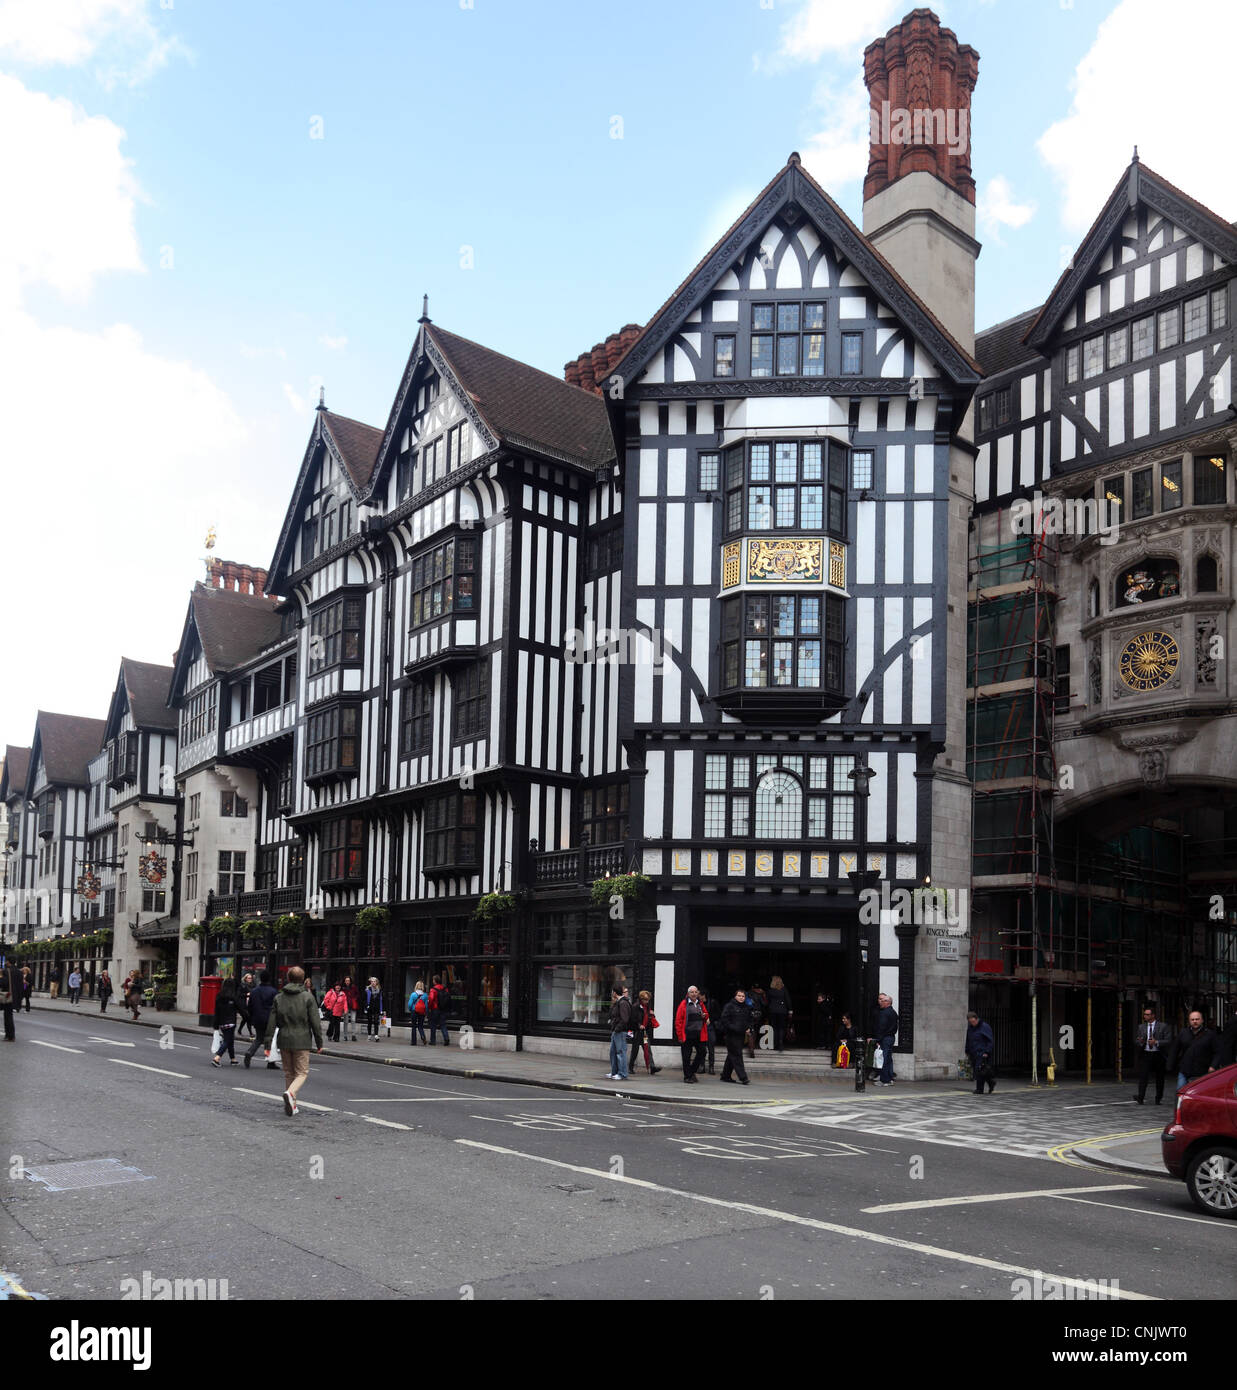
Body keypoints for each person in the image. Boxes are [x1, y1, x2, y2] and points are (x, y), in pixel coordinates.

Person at [263, 965, 324, 1116]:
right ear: (303, 980)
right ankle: (291, 1094)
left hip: (284, 1038)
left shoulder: (279, 997)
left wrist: (267, 1043)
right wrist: (319, 1042)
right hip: (302, 1039)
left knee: (289, 1072)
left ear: (288, 978)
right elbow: (315, 1022)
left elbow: (271, 1022)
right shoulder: (308, 997)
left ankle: (292, 1104)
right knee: (302, 1072)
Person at [1166, 1010, 1219, 1091]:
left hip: (1203, 1070)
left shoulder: (1210, 1034)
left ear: (1202, 1020)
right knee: (1180, 1091)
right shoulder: (1183, 1033)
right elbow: (1175, 1049)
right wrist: (1169, 1065)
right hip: (1185, 1069)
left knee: (1199, 1092)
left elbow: (1217, 1052)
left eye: (1197, 1019)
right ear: (1189, 1021)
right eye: (1192, 1019)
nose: (1195, 1021)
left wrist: (1213, 1066)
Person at [1132, 1004, 1169, 1105]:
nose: (1145, 1017)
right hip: (1146, 1054)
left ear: (1153, 1015)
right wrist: (1141, 1041)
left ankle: (1158, 1098)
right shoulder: (1141, 1027)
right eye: (1144, 1015)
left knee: (1160, 1078)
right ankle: (1140, 1097)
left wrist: (1156, 1042)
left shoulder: (1163, 1026)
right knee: (1143, 1076)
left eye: (1147, 1015)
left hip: (1158, 1054)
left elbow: (1168, 1040)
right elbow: (1136, 1040)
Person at [211, 977, 250, 1067]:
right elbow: (241, 1009)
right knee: (227, 1041)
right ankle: (217, 1058)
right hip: (231, 1022)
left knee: (230, 1040)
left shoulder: (219, 996)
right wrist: (248, 1018)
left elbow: (216, 1011)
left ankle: (233, 1059)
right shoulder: (233, 997)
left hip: (222, 1022)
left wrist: (216, 1025)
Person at [674, 985, 709, 1084]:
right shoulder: (683, 1004)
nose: (694, 994)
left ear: (698, 993)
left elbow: (706, 1015)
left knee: (703, 1052)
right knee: (686, 1057)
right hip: (687, 1035)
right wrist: (680, 1036)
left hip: (699, 1034)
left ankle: (691, 1071)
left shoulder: (700, 1004)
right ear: (688, 994)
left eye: (695, 992)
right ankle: (687, 1077)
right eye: (692, 992)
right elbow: (678, 1021)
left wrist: (705, 1016)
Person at [244, 970, 278, 1069]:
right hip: (270, 1019)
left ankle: (250, 1052)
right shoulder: (273, 991)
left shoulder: (254, 991)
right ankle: (271, 1061)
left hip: (257, 1018)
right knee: (271, 1040)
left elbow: (250, 1006)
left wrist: (252, 1017)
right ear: (269, 979)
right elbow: (276, 1006)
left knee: (259, 1039)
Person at [718, 988, 751, 1085]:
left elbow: (748, 1020)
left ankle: (725, 1075)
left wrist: (748, 1028)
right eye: (739, 996)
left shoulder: (746, 1007)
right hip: (731, 1035)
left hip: (741, 1035)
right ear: (735, 996)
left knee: (732, 1055)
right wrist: (734, 1028)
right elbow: (724, 1019)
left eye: (743, 996)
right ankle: (743, 1077)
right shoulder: (729, 1006)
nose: (741, 998)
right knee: (737, 1055)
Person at [628, 990, 660, 1074]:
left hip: (644, 1032)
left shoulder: (647, 1007)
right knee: (635, 1050)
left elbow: (648, 1018)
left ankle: (652, 1067)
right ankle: (630, 1067)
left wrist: (652, 1015)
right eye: (645, 999)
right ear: (641, 999)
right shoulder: (635, 1006)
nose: (647, 1001)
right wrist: (639, 1025)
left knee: (647, 1049)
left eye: (648, 999)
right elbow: (632, 1019)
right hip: (637, 1032)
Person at [965, 1010, 996, 1094]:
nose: (972, 1023)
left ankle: (979, 1089)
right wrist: (967, 1050)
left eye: (973, 1021)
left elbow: (990, 1041)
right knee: (980, 1071)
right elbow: (968, 1040)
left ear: (976, 1018)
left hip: (982, 1053)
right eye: (970, 1022)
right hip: (973, 1053)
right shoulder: (970, 1028)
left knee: (979, 1071)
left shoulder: (984, 1027)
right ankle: (991, 1082)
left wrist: (987, 1052)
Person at [872, 992, 899, 1086]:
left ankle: (884, 1080)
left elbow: (881, 1028)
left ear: (888, 1002)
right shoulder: (894, 1012)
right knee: (888, 1059)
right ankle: (889, 1078)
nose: (881, 1003)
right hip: (891, 1038)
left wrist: (878, 1040)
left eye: (883, 1001)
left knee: (883, 1059)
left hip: (885, 1038)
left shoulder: (884, 1013)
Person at [606, 986, 633, 1080]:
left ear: (614, 993)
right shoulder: (618, 1002)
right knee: (613, 1052)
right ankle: (614, 1072)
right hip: (616, 1031)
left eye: (612, 992)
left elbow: (624, 1019)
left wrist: (617, 1028)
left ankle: (622, 1074)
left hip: (620, 1031)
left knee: (621, 1052)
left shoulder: (623, 1003)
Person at [766, 975, 793, 1051]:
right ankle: (781, 1043)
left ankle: (775, 1044)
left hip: (772, 1011)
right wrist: (790, 1010)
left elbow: (767, 1002)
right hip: (782, 1011)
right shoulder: (784, 990)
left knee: (774, 1028)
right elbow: (788, 1000)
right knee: (781, 1027)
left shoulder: (770, 990)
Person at [427, 974, 450, 1046]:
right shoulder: (445, 988)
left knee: (433, 1025)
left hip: (435, 1009)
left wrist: (429, 1008)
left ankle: (433, 1041)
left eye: (433, 980)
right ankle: (446, 1038)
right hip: (443, 1009)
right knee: (443, 1024)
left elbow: (431, 999)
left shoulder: (433, 990)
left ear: (435, 981)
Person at [1, 961, 22, 1041]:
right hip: (16, 997)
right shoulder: (19, 972)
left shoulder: (6, 971)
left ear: (8, 962)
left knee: (7, 1016)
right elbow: (21, 985)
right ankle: (11, 1035)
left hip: (8, 996)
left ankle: (9, 1035)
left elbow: (3, 983)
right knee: (9, 1015)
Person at [408, 979, 429, 1045]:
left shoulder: (413, 994)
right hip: (421, 1012)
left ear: (416, 986)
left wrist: (410, 1010)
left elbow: (409, 1004)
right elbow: (426, 1006)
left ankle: (413, 1042)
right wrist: (426, 1012)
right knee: (420, 1026)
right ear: (422, 987)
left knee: (414, 1026)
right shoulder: (425, 995)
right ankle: (423, 1036)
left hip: (414, 1011)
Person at [237, 974, 255, 1038]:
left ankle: (239, 1030)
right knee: (247, 1018)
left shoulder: (252, 985)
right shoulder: (242, 985)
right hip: (242, 1004)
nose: (250, 979)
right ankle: (250, 1033)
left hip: (249, 1004)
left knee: (245, 1018)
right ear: (245, 979)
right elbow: (239, 995)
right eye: (248, 978)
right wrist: (247, 994)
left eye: (251, 978)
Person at [343, 975, 360, 1042]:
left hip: (353, 1005)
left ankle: (353, 1035)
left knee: (353, 1020)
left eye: (348, 981)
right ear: (344, 981)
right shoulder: (343, 988)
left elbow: (357, 994)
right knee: (346, 1021)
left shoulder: (353, 987)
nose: (347, 982)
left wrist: (354, 999)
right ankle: (345, 1035)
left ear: (350, 981)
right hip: (346, 1006)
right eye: (346, 981)